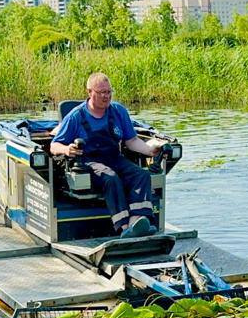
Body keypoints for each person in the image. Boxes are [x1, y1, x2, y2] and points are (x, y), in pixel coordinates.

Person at [50, 73, 164, 238]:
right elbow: (54, 145)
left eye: (109, 92)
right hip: (89, 162)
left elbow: (131, 140)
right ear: (90, 92)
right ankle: (124, 227)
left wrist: (150, 150)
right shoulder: (76, 116)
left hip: (114, 158)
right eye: (102, 92)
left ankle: (137, 221)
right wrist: (67, 149)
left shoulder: (118, 111)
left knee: (142, 175)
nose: (106, 96)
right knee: (111, 178)